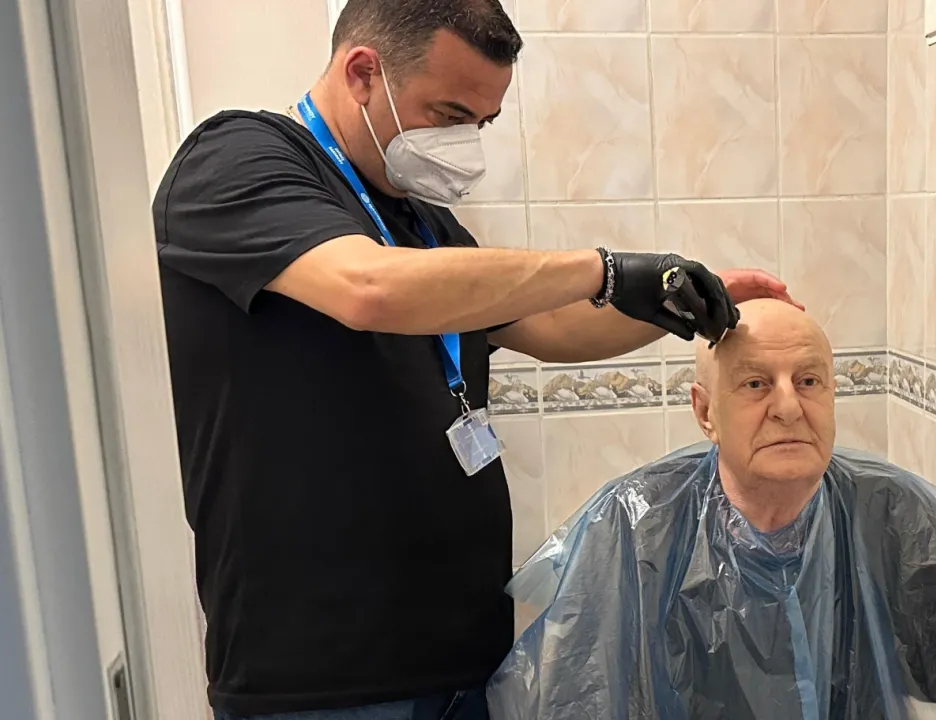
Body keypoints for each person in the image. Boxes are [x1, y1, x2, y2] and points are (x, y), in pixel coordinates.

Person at [151, 1, 795, 718]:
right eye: (450, 114)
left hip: (461, 662)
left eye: (480, 125)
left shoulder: (424, 222)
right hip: (318, 679)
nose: (464, 144)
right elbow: (368, 289)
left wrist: (671, 304)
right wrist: (605, 269)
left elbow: (552, 325)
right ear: (362, 72)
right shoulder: (238, 159)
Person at [488, 300, 936, 719]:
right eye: (755, 384)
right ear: (705, 411)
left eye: (809, 381)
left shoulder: (888, 515)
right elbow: (572, 698)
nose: (788, 407)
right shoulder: (638, 526)